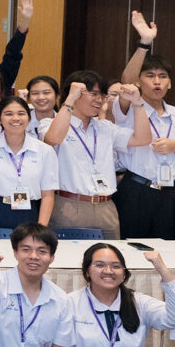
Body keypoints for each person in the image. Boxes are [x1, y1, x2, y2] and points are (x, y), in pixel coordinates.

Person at [41, 73, 151, 239]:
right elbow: (53, 139)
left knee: (110, 254)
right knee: (68, 255)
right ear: (75, 94)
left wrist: (138, 102)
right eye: (93, 94)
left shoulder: (105, 127)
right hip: (69, 206)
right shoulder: (50, 123)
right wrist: (69, 100)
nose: (99, 100)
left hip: (106, 206)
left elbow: (143, 139)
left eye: (102, 95)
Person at [115, 47, 175, 241]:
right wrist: (144, 44)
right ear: (138, 82)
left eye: (162, 76)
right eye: (150, 75)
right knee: (129, 247)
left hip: (169, 194)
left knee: (168, 248)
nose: (157, 81)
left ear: (169, 83)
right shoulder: (127, 110)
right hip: (135, 189)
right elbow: (126, 81)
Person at [0, 96, 58, 230]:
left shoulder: (44, 150)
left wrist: (41, 228)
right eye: (8, 114)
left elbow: (48, 194)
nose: (15, 118)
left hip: (27, 212)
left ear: (29, 118)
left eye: (21, 113)